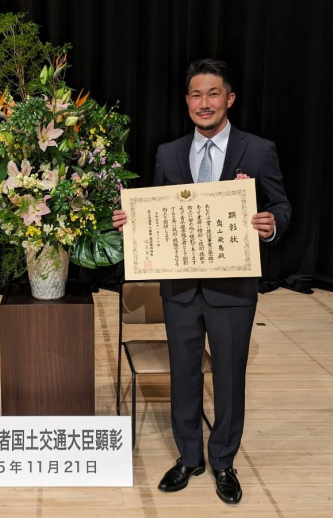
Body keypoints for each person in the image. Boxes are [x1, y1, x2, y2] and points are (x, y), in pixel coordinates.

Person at [113, 59, 291, 504]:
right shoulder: (169, 153)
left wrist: (271, 224)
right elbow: (156, 211)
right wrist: (131, 222)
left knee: (229, 378)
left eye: (213, 94)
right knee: (184, 375)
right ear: (187, 101)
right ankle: (189, 456)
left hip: (233, 289)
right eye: (196, 94)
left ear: (229, 99)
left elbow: (281, 205)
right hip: (180, 289)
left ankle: (223, 461)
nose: (204, 103)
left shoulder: (258, 150)